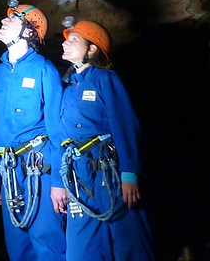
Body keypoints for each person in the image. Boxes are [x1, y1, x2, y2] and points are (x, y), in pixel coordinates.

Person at [57, 17, 155, 260]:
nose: (65, 44)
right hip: (79, 176)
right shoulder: (68, 87)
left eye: (75, 39)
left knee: (130, 242)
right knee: (80, 251)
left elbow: (126, 126)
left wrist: (129, 173)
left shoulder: (105, 79)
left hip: (107, 172)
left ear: (91, 49)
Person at [0, 0, 67, 261]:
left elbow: (57, 128)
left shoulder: (44, 69)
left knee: (48, 242)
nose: (4, 21)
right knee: (17, 245)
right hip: (8, 170)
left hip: (38, 168)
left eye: (12, 18)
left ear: (29, 31)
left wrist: (58, 182)